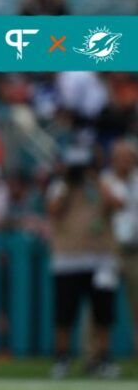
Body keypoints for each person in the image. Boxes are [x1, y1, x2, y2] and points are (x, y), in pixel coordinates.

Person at [46, 147, 120, 379]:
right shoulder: (60, 187)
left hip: (99, 258)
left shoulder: (101, 184)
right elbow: (53, 211)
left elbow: (117, 204)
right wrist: (68, 186)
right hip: (68, 259)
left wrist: (95, 181)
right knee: (65, 314)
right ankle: (62, 358)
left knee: (103, 313)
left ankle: (103, 358)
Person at [100, 140, 138, 353]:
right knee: (101, 302)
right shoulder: (103, 180)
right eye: (119, 157)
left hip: (136, 249)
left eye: (128, 156)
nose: (124, 161)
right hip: (110, 249)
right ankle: (95, 354)